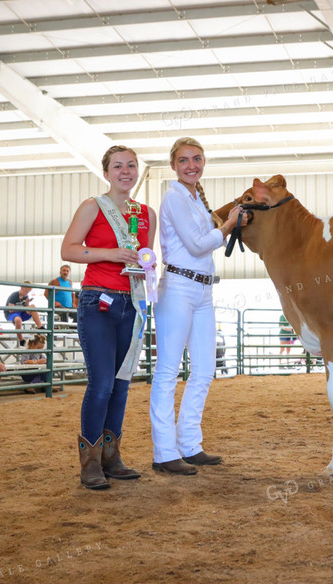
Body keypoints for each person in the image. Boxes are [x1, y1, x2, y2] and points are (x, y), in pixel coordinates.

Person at [149, 136, 247, 476]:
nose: (192, 165)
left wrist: (226, 223)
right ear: (174, 165)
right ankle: (164, 452)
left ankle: (190, 443)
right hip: (177, 286)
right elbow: (195, 244)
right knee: (167, 371)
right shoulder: (173, 197)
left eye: (197, 159)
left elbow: (206, 237)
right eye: (184, 160)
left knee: (204, 369)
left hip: (202, 291)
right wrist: (229, 226)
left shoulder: (194, 198)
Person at [61, 144, 156, 490]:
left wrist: (148, 264)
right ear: (106, 172)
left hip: (132, 303)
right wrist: (112, 254)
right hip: (97, 302)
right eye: (118, 166)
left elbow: (146, 255)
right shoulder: (92, 207)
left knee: (121, 384)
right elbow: (69, 249)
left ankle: (112, 457)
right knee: (101, 383)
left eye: (131, 165)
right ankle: (90, 462)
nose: (126, 171)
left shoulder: (147, 213)